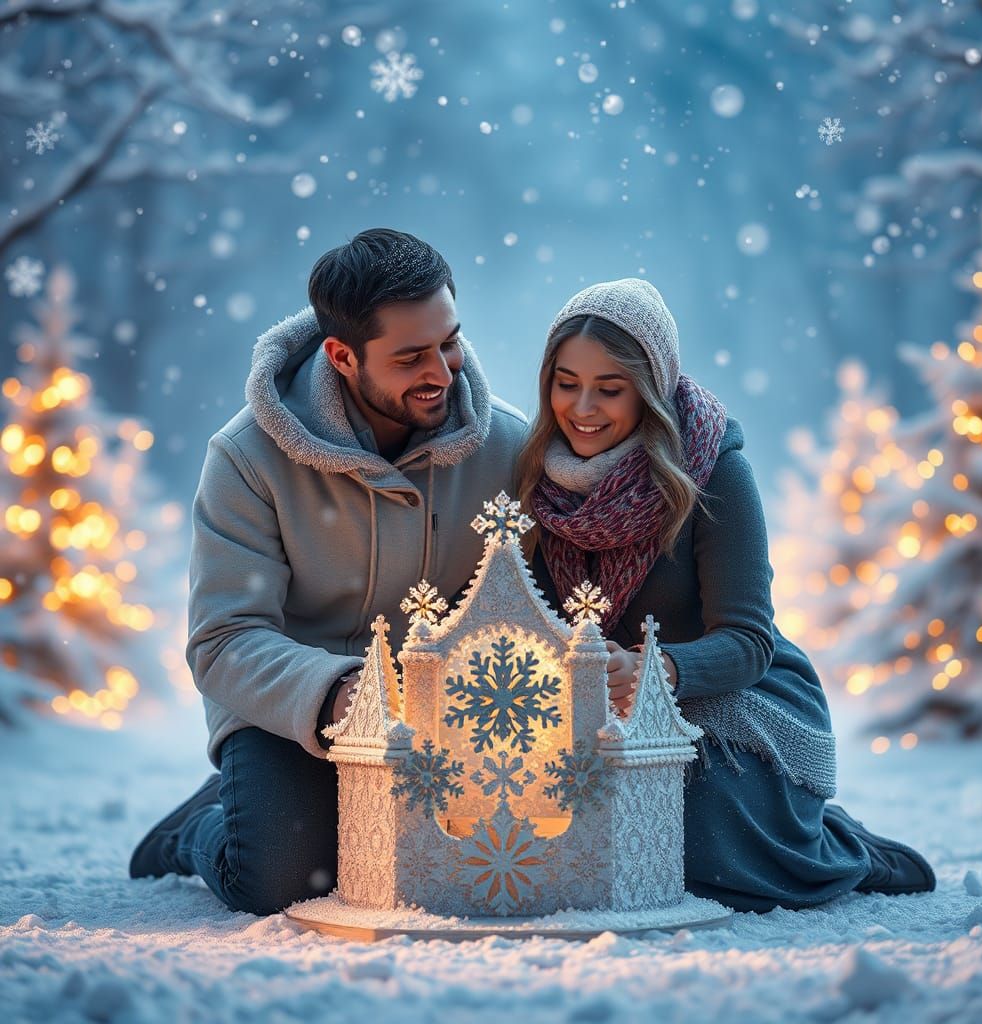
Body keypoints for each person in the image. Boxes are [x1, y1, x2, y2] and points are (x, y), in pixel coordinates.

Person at [129, 229, 528, 914]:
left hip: (444, 718)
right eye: (411, 357)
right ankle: (198, 826)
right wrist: (341, 694)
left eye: (449, 341)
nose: (443, 370)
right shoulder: (247, 457)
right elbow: (224, 641)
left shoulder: (508, 447)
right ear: (342, 356)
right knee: (285, 880)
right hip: (291, 710)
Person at [515, 277, 936, 912]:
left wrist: (661, 669)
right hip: (599, 699)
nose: (583, 408)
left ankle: (842, 849)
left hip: (734, 693)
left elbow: (748, 641)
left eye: (610, 389)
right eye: (567, 383)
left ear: (650, 391)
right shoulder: (536, 479)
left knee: (692, 828)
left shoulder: (711, 470)